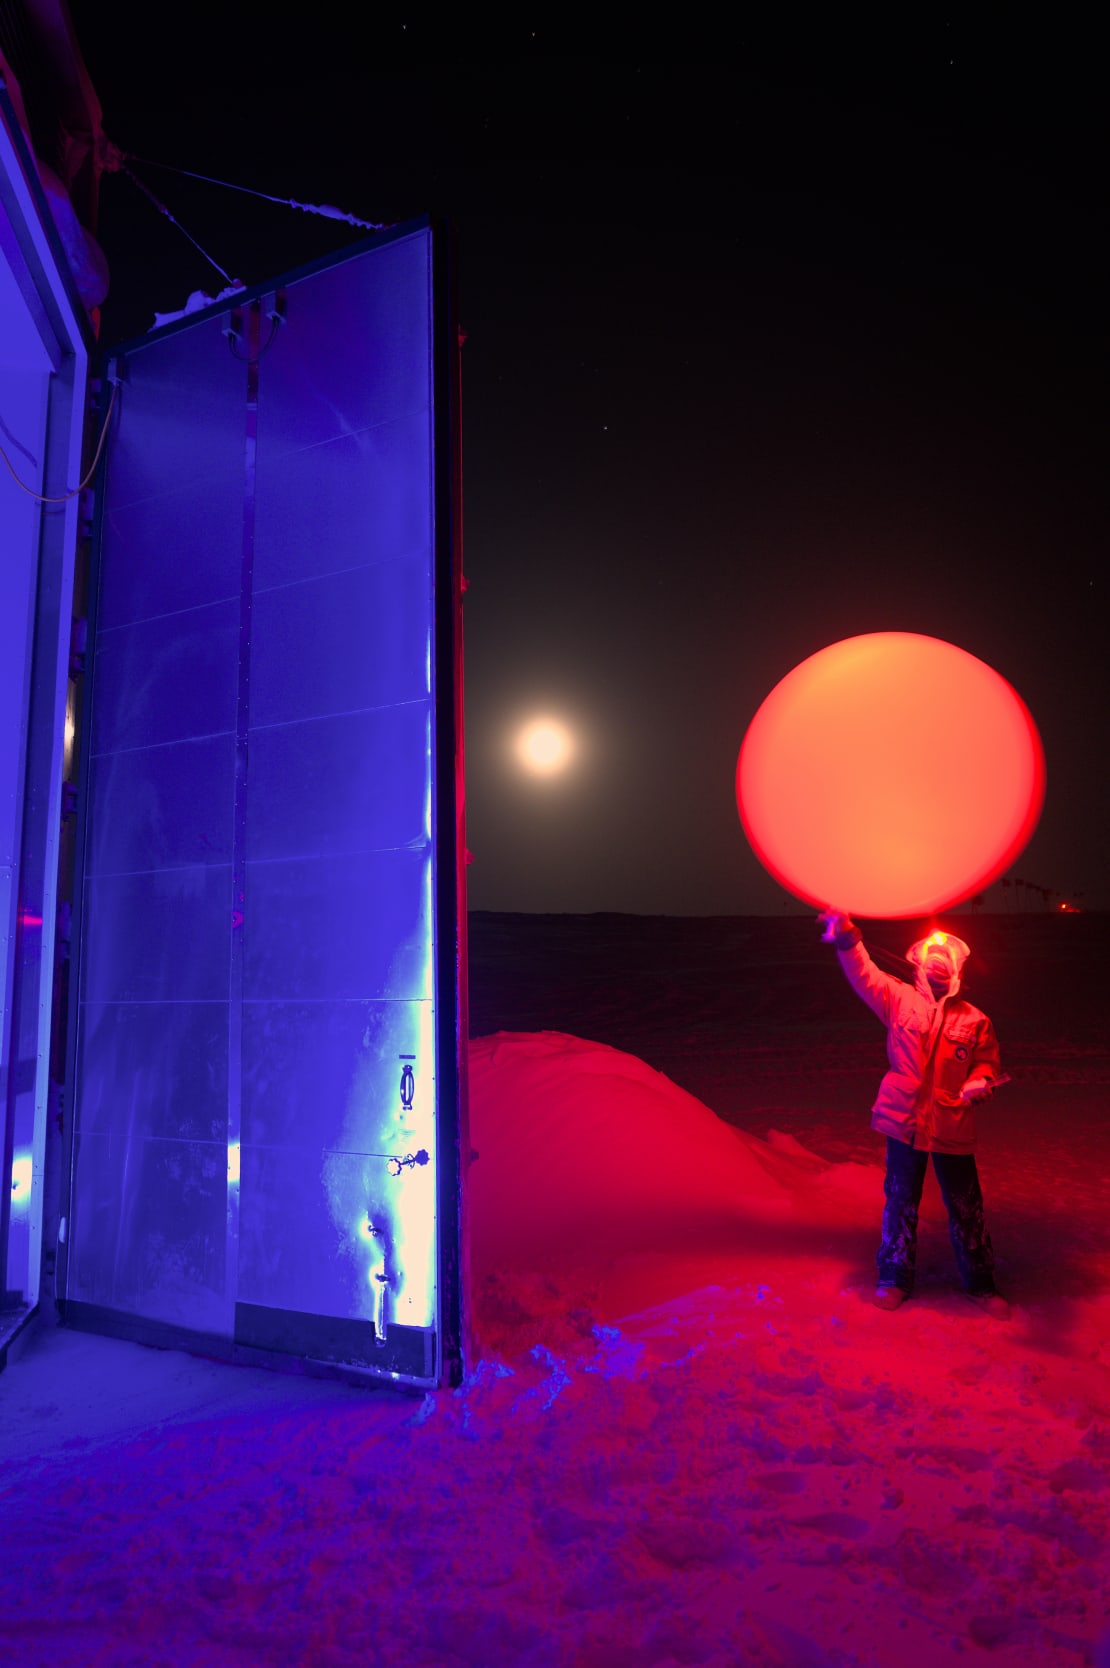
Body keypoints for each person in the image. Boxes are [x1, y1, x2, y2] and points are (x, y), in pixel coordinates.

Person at [818, 910, 1009, 1318]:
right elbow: (862, 972)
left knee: (965, 1206)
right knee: (900, 1202)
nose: (938, 956)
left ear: (957, 967)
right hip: (904, 1123)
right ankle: (893, 1279)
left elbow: (987, 1064)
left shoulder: (975, 1019)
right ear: (919, 963)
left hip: (952, 1124)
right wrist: (848, 937)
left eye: (946, 955)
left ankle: (980, 1284)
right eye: (931, 952)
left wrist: (981, 1082)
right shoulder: (898, 997)